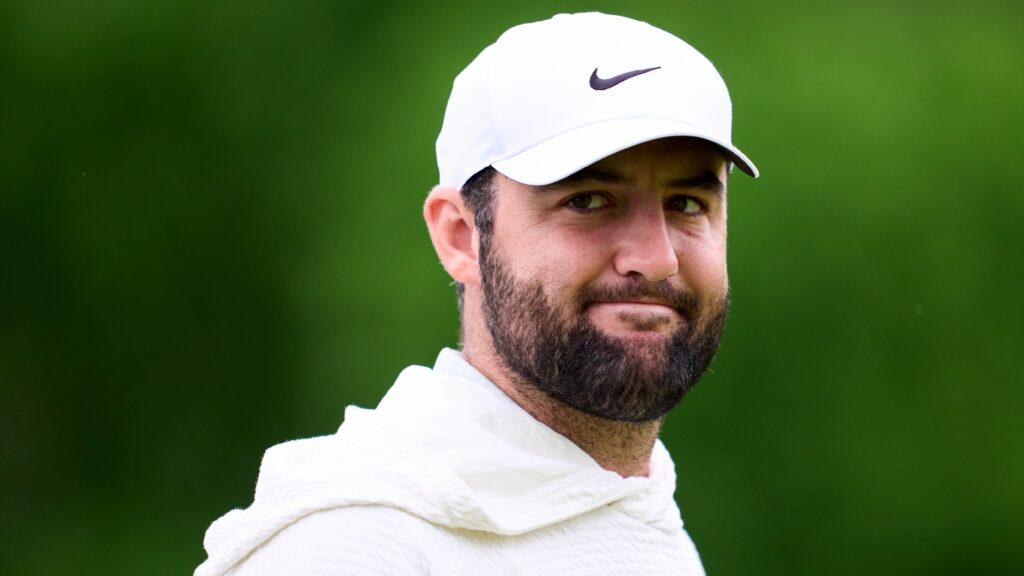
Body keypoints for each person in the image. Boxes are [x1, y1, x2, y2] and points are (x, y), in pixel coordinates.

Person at [195, 12, 757, 576]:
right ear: (461, 237)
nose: (655, 258)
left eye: (687, 204)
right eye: (587, 201)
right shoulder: (354, 544)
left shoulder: (643, 520)